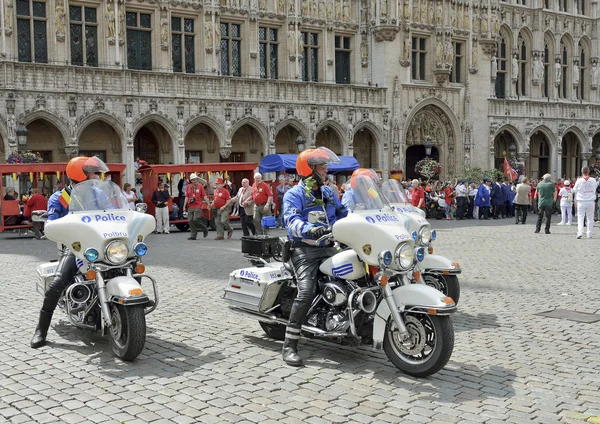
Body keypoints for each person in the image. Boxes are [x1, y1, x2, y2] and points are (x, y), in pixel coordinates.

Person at [31, 156, 107, 348]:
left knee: (130, 262)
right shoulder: (60, 198)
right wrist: (52, 225)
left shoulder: (99, 194)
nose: (96, 175)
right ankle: (41, 330)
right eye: (92, 172)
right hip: (77, 247)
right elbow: (52, 222)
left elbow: (115, 213)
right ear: (80, 175)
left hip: (103, 245)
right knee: (57, 284)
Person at [282, 147, 347, 366]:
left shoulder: (328, 192)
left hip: (329, 246)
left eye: (326, 165)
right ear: (308, 170)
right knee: (306, 291)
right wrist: (310, 229)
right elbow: (291, 221)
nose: (326, 170)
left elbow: (343, 213)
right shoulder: (294, 194)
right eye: (322, 166)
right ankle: (289, 345)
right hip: (305, 250)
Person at [573, 166, 597, 239]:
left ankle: (580, 232)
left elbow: (574, 190)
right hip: (590, 201)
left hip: (581, 201)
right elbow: (595, 188)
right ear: (588, 172)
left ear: (582, 172)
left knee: (580, 217)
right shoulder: (593, 180)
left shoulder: (579, 181)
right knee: (590, 218)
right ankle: (589, 233)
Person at [183, 173, 209, 240]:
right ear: (191, 180)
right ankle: (193, 235)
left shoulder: (200, 186)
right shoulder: (188, 187)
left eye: (196, 179)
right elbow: (186, 197)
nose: (195, 181)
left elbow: (204, 195)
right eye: (193, 180)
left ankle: (204, 228)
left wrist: (208, 203)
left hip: (198, 205)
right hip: (190, 206)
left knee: (195, 219)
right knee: (190, 220)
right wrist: (184, 206)